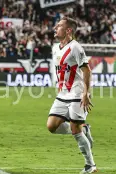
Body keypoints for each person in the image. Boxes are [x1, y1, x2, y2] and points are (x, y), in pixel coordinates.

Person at [47, 17, 97, 174]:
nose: (55, 28)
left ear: (68, 30)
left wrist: (86, 93)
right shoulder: (57, 47)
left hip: (76, 93)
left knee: (75, 129)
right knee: (52, 126)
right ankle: (85, 129)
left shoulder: (76, 48)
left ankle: (90, 166)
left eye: (59, 26)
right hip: (62, 94)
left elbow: (86, 70)